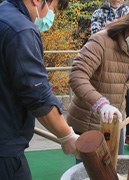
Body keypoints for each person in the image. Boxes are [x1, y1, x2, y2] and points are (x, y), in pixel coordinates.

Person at [67, 4, 129, 156]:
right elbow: (77, 76)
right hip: (89, 120)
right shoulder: (101, 40)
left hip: (115, 122)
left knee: (114, 165)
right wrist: (101, 104)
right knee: (91, 171)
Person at [0, 0, 80, 179]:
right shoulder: (21, 30)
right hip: (5, 148)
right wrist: (66, 136)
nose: (50, 15)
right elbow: (38, 96)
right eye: (53, 8)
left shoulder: (3, 15)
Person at [90, 0, 129, 150]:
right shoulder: (98, 13)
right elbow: (95, 34)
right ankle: (100, 140)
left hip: (126, 64)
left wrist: (110, 29)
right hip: (105, 64)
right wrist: (118, 29)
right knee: (105, 103)